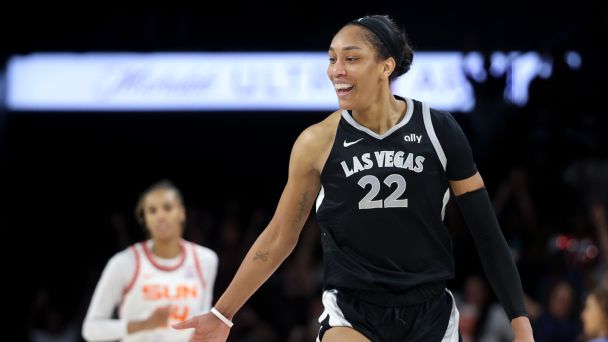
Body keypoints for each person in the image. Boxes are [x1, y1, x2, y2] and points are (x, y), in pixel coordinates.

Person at [174, 15, 534, 341]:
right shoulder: (317, 142)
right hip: (353, 312)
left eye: (351, 58)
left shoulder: (439, 130)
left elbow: (487, 232)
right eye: (332, 59)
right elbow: (280, 236)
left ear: (385, 67)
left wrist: (521, 323)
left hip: (429, 313)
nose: (336, 70)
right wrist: (224, 312)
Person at [82, 180, 218, 341]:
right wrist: (145, 324)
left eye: (167, 208)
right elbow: (91, 329)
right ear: (144, 218)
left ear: (181, 213)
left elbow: (202, 323)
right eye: (152, 211)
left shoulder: (206, 260)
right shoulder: (123, 263)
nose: (160, 216)